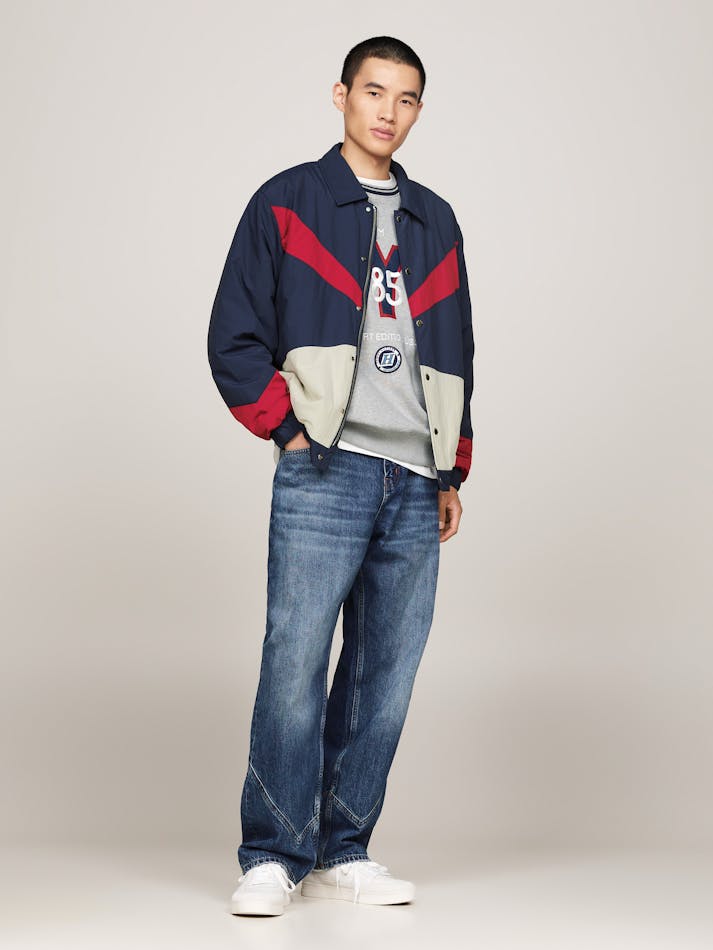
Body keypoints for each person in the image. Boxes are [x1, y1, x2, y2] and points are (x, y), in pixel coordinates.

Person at [207, 35, 474, 916]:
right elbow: (234, 332)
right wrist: (285, 430)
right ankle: (272, 853)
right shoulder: (289, 201)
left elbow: (458, 349)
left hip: (414, 477)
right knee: (294, 660)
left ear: (418, 110)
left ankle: (344, 846)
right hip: (324, 465)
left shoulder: (435, 219)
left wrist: (451, 469)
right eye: (373, 92)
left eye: (405, 98)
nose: (387, 111)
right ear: (341, 96)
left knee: (384, 672)